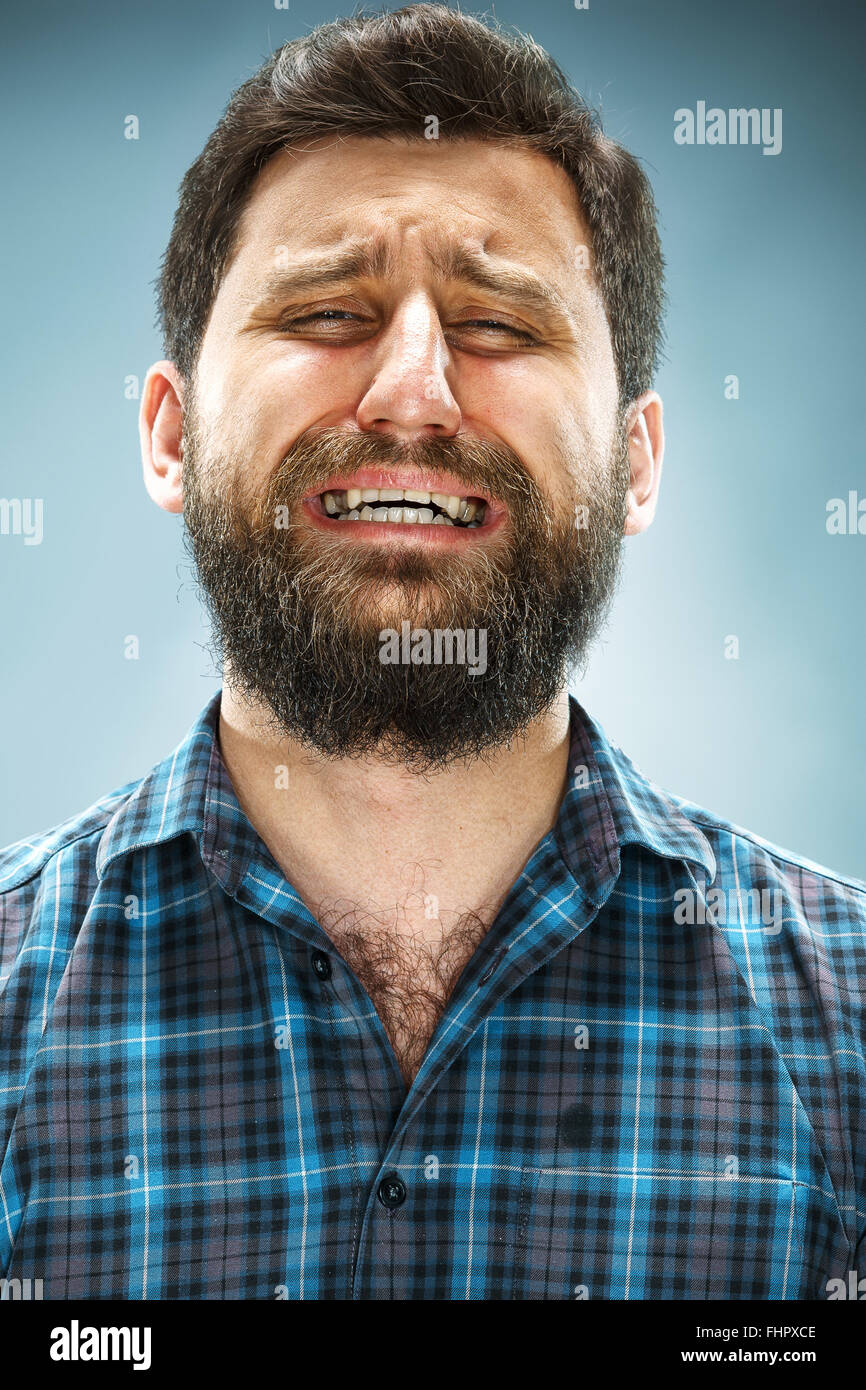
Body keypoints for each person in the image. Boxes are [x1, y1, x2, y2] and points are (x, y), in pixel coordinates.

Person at [1, 3, 864, 1301]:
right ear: (169, 436)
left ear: (634, 462)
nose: (412, 387)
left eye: (501, 323)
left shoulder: (846, 1030)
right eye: (328, 309)